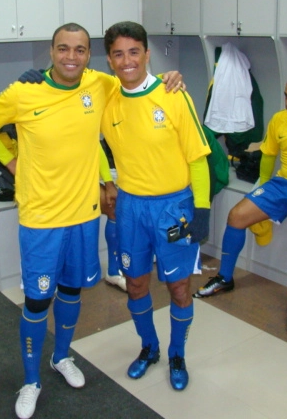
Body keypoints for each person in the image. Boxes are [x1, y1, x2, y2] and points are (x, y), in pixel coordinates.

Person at [0, 22, 182, 419]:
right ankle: (31, 380)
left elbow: (138, 83)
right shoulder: (24, 91)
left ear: (89, 55)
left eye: (80, 50)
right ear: (51, 52)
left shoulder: (100, 85)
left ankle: (62, 358)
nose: (71, 57)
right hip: (41, 217)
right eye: (63, 49)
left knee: (71, 292)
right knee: (36, 301)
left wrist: (170, 77)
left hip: (84, 215)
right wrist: (10, 160)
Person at [100, 21, 211, 391]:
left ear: (147, 54)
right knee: (134, 283)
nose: (127, 61)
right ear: (109, 59)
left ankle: (177, 352)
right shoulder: (107, 96)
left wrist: (203, 210)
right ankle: (149, 347)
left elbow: (198, 158)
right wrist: (107, 181)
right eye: (118, 53)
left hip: (173, 207)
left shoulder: (173, 93)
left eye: (134, 52)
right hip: (131, 208)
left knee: (179, 287)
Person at [193, 72, 287, 334]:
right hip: (282, 183)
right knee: (236, 216)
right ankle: (225, 278)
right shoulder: (279, 120)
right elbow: (268, 155)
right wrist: (262, 186)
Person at [100, 138, 126, 292]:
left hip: (133, 163)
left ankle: (116, 270)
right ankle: (114, 270)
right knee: (114, 209)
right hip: (108, 163)